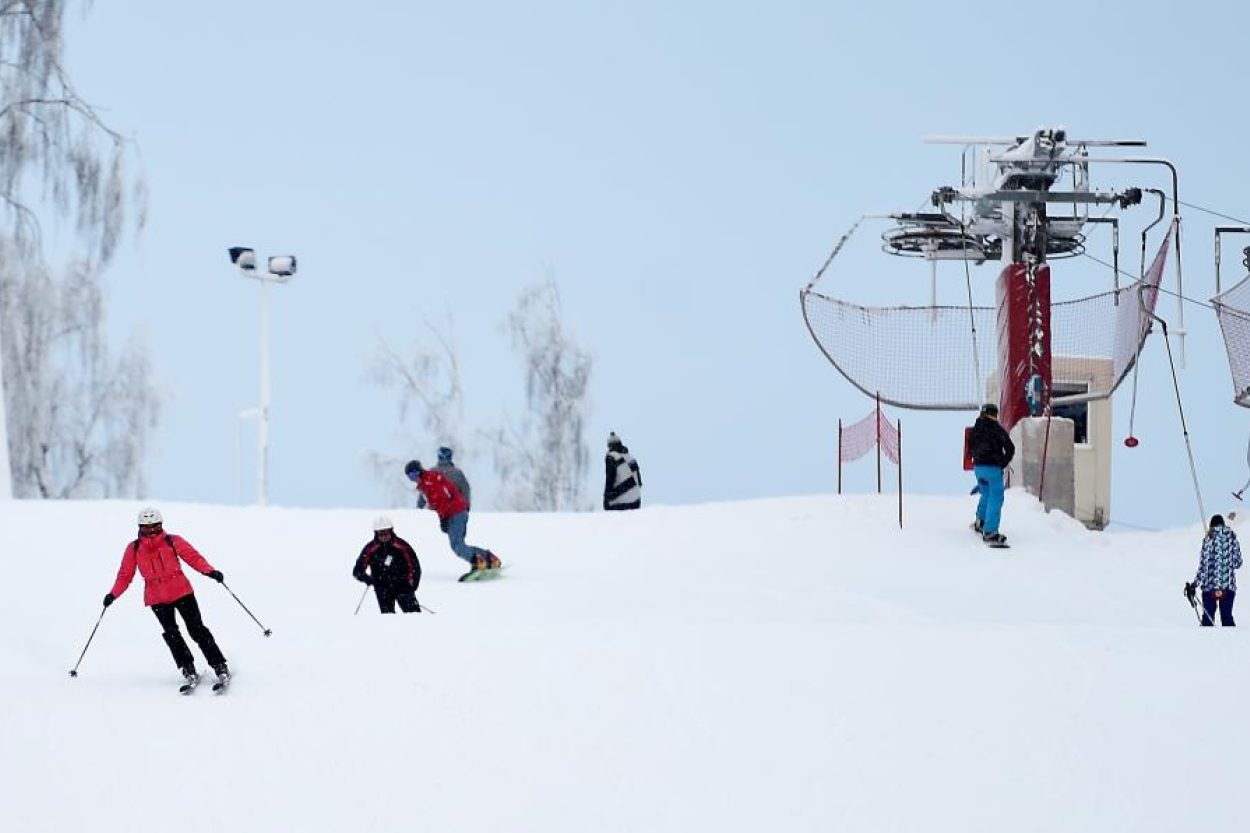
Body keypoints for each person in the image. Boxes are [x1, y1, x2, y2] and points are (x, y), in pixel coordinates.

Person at [103, 507, 230, 687]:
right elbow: (125, 575)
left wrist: (210, 571)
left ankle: (220, 665)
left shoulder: (173, 541)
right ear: (140, 528)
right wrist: (113, 594)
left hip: (182, 592)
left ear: (161, 525)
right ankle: (188, 669)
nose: (151, 531)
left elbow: (193, 557)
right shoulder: (134, 549)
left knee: (197, 630)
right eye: (147, 528)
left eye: (154, 527)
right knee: (172, 634)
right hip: (157, 598)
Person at [406, 460, 501, 575]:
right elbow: (439, 502)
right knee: (458, 544)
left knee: (457, 545)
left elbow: (445, 497)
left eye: (414, 474)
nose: (413, 478)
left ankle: (477, 562)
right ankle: (489, 558)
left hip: (456, 512)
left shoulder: (430, 480)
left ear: (419, 470)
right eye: (410, 477)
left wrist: (444, 517)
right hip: (455, 512)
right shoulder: (426, 483)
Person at [353, 516, 422, 613]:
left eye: (386, 532)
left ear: (391, 531)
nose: (384, 536)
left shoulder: (402, 546)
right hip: (382, 589)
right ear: (376, 533)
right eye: (380, 533)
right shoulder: (370, 548)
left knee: (415, 615)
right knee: (388, 619)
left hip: (403, 586)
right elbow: (357, 571)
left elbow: (414, 567)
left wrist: (412, 585)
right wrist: (370, 580)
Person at [967, 403, 1014, 544]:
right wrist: (1002, 462)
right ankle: (990, 531)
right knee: (996, 497)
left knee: (986, 493)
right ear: (994, 415)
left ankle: (979, 521)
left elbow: (970, 447)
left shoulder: (975, 430)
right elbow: (1010, 448)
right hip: (993, 468)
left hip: (978, 468)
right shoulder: (997, 430)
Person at [1186, 514, 1243, 626]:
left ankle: (1207, 642)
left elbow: (1204, 566)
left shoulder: (1209, 538)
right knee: (1227, 617)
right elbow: (1238, 563)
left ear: (1211, 525)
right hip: (1228, 586)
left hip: (1210, 587)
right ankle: (1231, 642)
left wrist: (1194, 585)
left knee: (1208, 620)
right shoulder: (1232, 538)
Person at [418, 446, 471, 510]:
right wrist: (466, 508)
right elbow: (465, 491)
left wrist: (419, 508)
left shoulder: (431, 472)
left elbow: (423, 492)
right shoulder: (458, 473)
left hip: (434, 512)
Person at [604, 432, 642, 511]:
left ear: (609, 446)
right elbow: (639, 483)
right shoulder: (631, 458)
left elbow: (610, 481)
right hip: (636, 502)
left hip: (619, 504)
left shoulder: (611, 457)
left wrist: (606, 500)